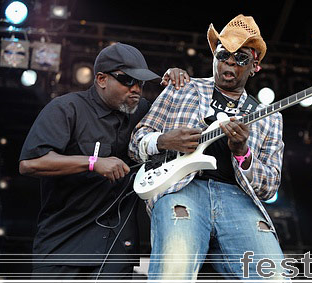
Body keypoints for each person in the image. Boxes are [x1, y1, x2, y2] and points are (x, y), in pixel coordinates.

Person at [129, 15, 287, 280]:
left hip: (239, 200)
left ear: (255, 65)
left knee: (274, 276)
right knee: (174, 272)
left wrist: (243, 153)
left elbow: (270, 185)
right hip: (183, 189)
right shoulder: (182, 88)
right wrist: (165, 140)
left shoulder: (269, 117)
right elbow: (136, 142)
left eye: (241, 59)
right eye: (224, 54)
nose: (230, 63)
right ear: (214, 55)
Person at [18, 42, 189, 279]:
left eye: (140, 83)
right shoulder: (66, 109)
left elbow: (178, 130)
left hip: (117, 246)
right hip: (64, 243)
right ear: (101, 79)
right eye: (127, 80)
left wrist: (178, 85)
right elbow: (30, 163)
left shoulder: (142, 112)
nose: (136, 89)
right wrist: (92, 162)